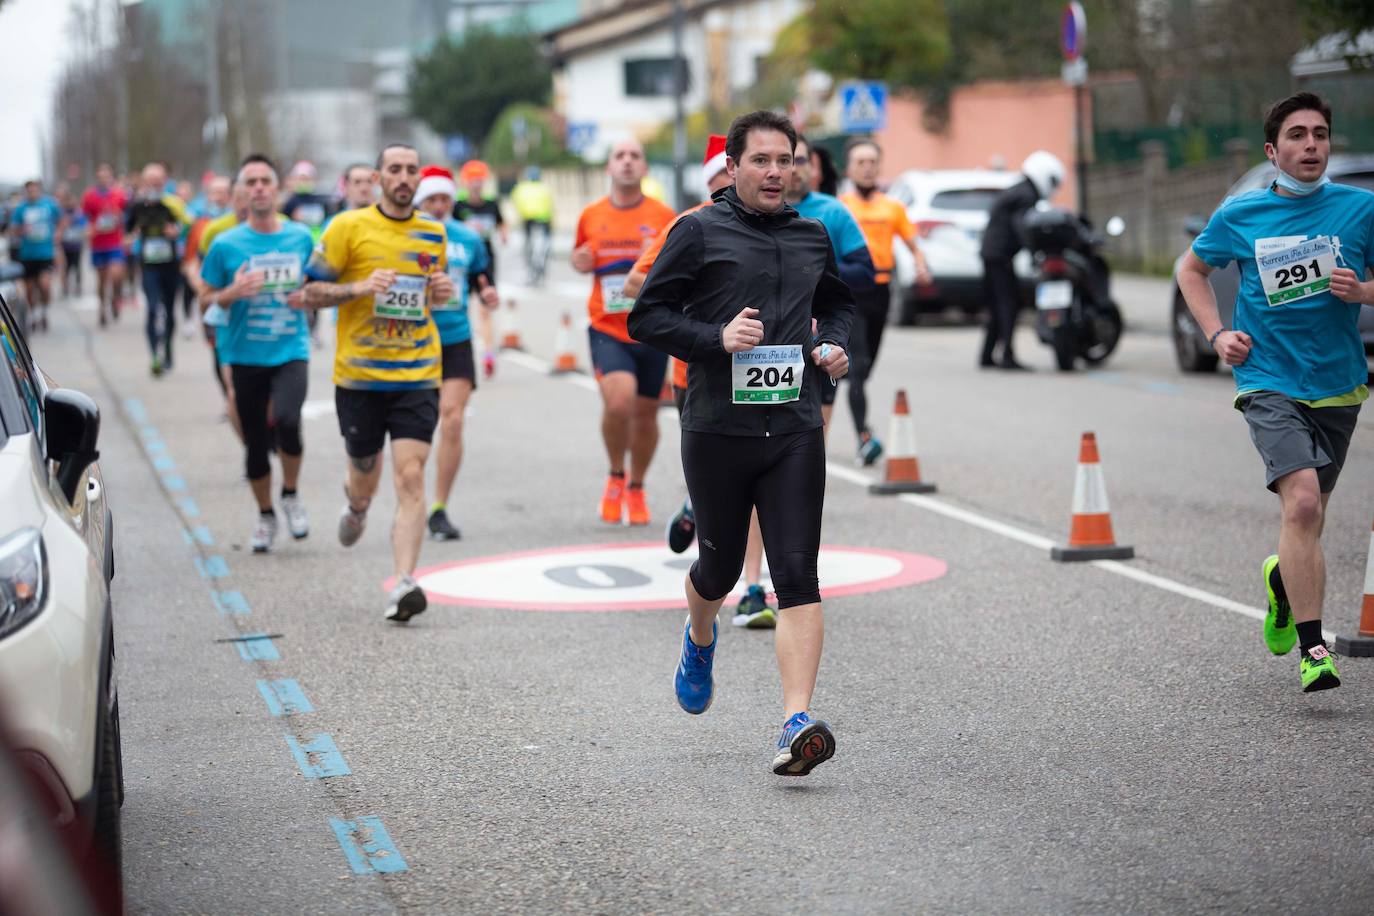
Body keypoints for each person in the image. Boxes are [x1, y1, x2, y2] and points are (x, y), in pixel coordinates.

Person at [628, 109, 853, 775]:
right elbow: (646, 317)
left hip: (794, 428)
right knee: (720, 571)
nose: (776, 172)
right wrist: (716, 339)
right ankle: (700, 634)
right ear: (732, 167)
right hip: (717, 428)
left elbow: (839, 302)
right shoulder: (698, 231)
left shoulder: (811, 235)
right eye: (761, 160)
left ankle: (796, 722)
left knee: (797, 574)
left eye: (786, 160)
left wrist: (833, 343)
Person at [1179, 91, 1374, 693]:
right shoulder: (1241, 214)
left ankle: (1282, 581)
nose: (1311, 145)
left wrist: (1363, 293)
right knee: (1304, 503)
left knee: (1308, 519)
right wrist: (1217, 334)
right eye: (1297, 135)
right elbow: (1191, 270)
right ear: (1272, 150)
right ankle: (1314, 650)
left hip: (1338, 383)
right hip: (1267, 378)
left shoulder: (1361, 209)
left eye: (1320, 134)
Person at [301, 143, 454, 623]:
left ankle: (404, 582)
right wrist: (360, 287)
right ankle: (357, 505)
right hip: (361, 377)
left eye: (411, 170)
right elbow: (309, 292)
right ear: (378, 177)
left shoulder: (434, 232)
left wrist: (441, 290)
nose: (404, 177)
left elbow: (432, 293)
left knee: (411, 478)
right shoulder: (347, 227)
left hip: (418, 372)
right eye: (395, 169)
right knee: (364, 475)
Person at [623, 133, 733, 555]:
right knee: (713, 470)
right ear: (712, 178)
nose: (731, 180)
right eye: (723, 172)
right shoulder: (691, 224)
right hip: (696, 370)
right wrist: (695, 300)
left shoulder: (779, 226)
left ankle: (752, 574)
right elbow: (636, 281)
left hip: (759, 370)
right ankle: (696, 509)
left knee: (750, 472)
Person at [199, 155, 314, 552]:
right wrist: (231, 292)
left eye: (266, 180)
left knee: (288, 421)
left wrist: (308, 295)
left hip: (290, 347)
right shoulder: (225, 244)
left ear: (278, 189)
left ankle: (291, 494)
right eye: (251, 182)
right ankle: (265, 515)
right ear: (241, 193)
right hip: (244, 354)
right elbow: (204, 298)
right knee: (255, 441)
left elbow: (318, 282)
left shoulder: (301, 237)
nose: (260, 187)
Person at [571, 137, 676, 527]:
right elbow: (580, 256)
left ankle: (637, 485)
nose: (627, 162)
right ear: (609, 167)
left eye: (635, 156)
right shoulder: (591, 215)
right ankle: (616, 475)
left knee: (646, 415)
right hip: (607, 326)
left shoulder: (664, 215)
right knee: (619, 402)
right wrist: (579, 261)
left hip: (651, 329)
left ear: (644, 167)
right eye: (620, 156)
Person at [413, 165, 499, 541]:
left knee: (452, 420)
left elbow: (483, 278)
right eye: (431, 199)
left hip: (456, 339)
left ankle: (439, 507)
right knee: (417, 426)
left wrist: (488, 293)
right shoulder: (406, 236)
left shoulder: (468, 237)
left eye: (444, 199)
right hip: (413, 340)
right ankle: (411, 500)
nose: (438, 205)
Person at [840, 139, 932, 465]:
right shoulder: (840, 207)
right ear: (849, 169)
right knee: (859, 364)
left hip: (881, 291)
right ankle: (863, 437)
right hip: (850, 292)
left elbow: (913, 245)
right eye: (860, 162)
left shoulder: (892, 208)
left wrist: (921, 264)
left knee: (865, 369)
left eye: (872, 162)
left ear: (879, 167)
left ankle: (846, 379)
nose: (867, 168)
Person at [979, 151, 1063, 370]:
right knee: (1008, 304)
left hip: (991, 253)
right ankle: (1007, 355)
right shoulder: (1026, 195)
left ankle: (986, 355)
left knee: (997, 306)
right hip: (1000, 256)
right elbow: (1021, 226)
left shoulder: (1018, 189)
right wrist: (1035, 251)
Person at [125, 162, 192, 375]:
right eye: (150, 181)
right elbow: (127, 230)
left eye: (158, 181)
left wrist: (177, 232)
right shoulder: (137, 205)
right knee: (153, 308)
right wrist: (130, 237)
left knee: (170, 311)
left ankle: (168, 350)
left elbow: (188, 224)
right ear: (144, 182)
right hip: (149, 266)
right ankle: (155, 355)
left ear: (164, 181)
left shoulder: (173, 203)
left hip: (171, 265)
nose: (154, 185)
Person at [454, 160, 506, 377]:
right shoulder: (458, 207)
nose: (476, 184)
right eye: (472, 180)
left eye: (480, 180)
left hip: (485, 261)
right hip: (462, 261)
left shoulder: (491, 204)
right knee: (462, 308)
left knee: (485, 308)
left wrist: (503, 233)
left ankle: (488, 354)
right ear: (465, 182)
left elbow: (501, 222)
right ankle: (464, 349)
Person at [8, 180, 65, 333]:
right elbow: (13, 229)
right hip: (27, 255)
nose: (32, 193)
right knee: (29, 288)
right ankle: (33, 314)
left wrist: (58, 232)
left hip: (45, 253)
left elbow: (62, 220)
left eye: (35, 190)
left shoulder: (49, 205)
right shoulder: (21, 208)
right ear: (26, 192)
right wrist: (22, 230)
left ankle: (44, 312)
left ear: (39, 190)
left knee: (45, 285)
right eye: (30, 191)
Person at [82, 163, 128, 326]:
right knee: (102, 280)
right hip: (98, 244)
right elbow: (84, 217)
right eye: (101, 177)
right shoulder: (89, 196)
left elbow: (128, 214)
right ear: (97, 178)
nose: (104, 179)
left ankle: (115, 297)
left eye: (106, 176)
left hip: (115, 242)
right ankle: (103, 307)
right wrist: (88, 228)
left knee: (116, 275)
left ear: (111, 177)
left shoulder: (119, 195)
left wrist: (121, 219)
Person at [510, 166, 554, 285]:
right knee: (545, 245)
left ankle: (530, 268)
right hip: (544, 220)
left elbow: (515, 202)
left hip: (527, 220)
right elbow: (550, 205)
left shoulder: (521, 188)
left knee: (528, 245)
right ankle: (542, 265)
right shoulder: (544, 188)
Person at [57, 184, 87, 299]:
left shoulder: (79, 212)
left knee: (77, 267)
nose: (71, 203)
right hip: (65, 246)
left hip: (77, 245)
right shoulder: (61, 212)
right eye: (68, 201)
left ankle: (78, 286)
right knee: (66, 268)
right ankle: (65, 287)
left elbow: (84, 226)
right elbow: (59, 225)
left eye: (73, 201)